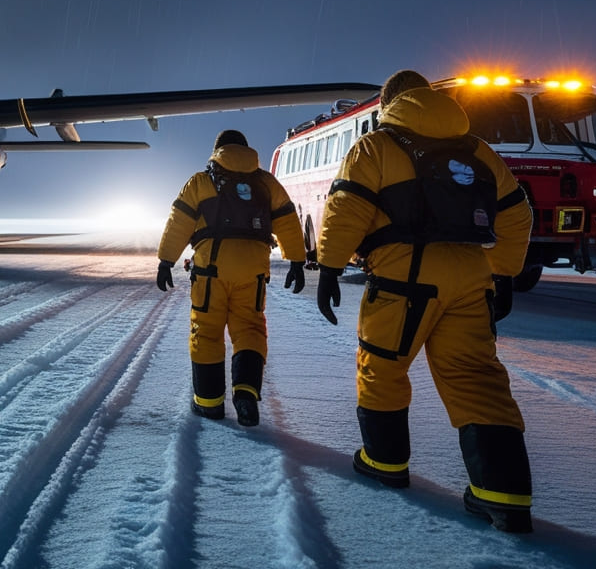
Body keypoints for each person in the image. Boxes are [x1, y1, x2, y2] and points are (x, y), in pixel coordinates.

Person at [314, 70, 537, 533]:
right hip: (471, 280)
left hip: (402, 280)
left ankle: (385, 461)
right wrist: (504, 273)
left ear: (390, 103)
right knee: (477, 378)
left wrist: (330, 266)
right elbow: (517, 212)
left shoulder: (375, 146)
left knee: (383, 366)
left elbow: (346, 205)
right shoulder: (477, 151)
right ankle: (504, 494)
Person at [157, 129, 309, 427]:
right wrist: (297, 261)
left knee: (207, 330)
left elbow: (179, 221)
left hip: (211, 270)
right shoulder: (266, 183)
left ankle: (209, 403)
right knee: (250, 329)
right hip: (252, 270)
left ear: (218, 151)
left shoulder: (201, 181)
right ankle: (246, 394)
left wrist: (165, 260)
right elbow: (289, 221)